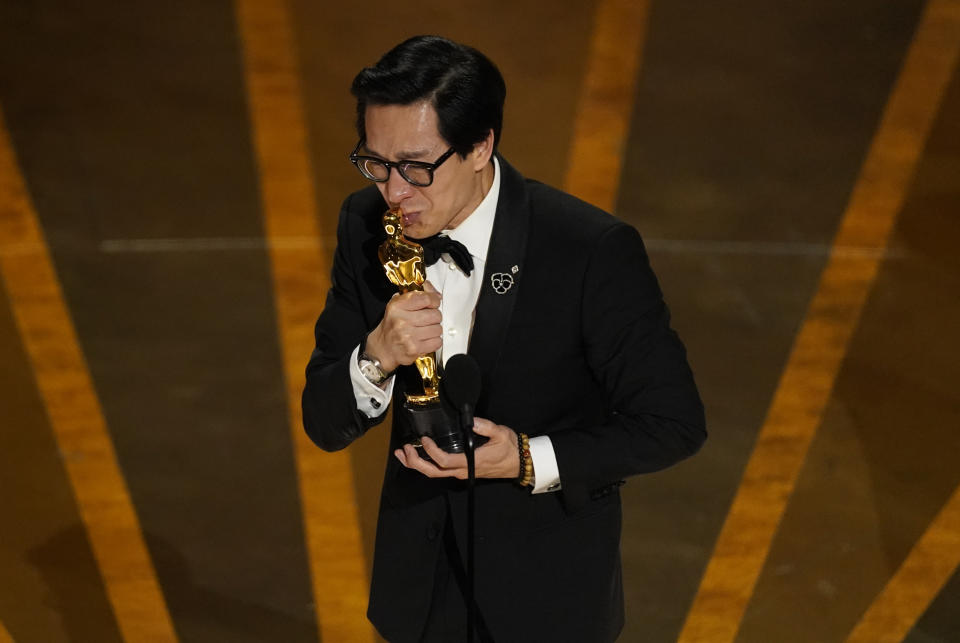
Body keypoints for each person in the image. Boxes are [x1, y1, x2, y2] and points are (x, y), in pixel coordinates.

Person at [302, 35, 706, 643]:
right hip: (419, 596)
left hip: (546, 602)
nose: (394, 191)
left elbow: (673, 422)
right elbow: (323, 421)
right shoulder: (365, 225)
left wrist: (525, 459)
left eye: (415, 167)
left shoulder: (589, 251)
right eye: (375, 164)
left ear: (480, 145)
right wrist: (376, 357)